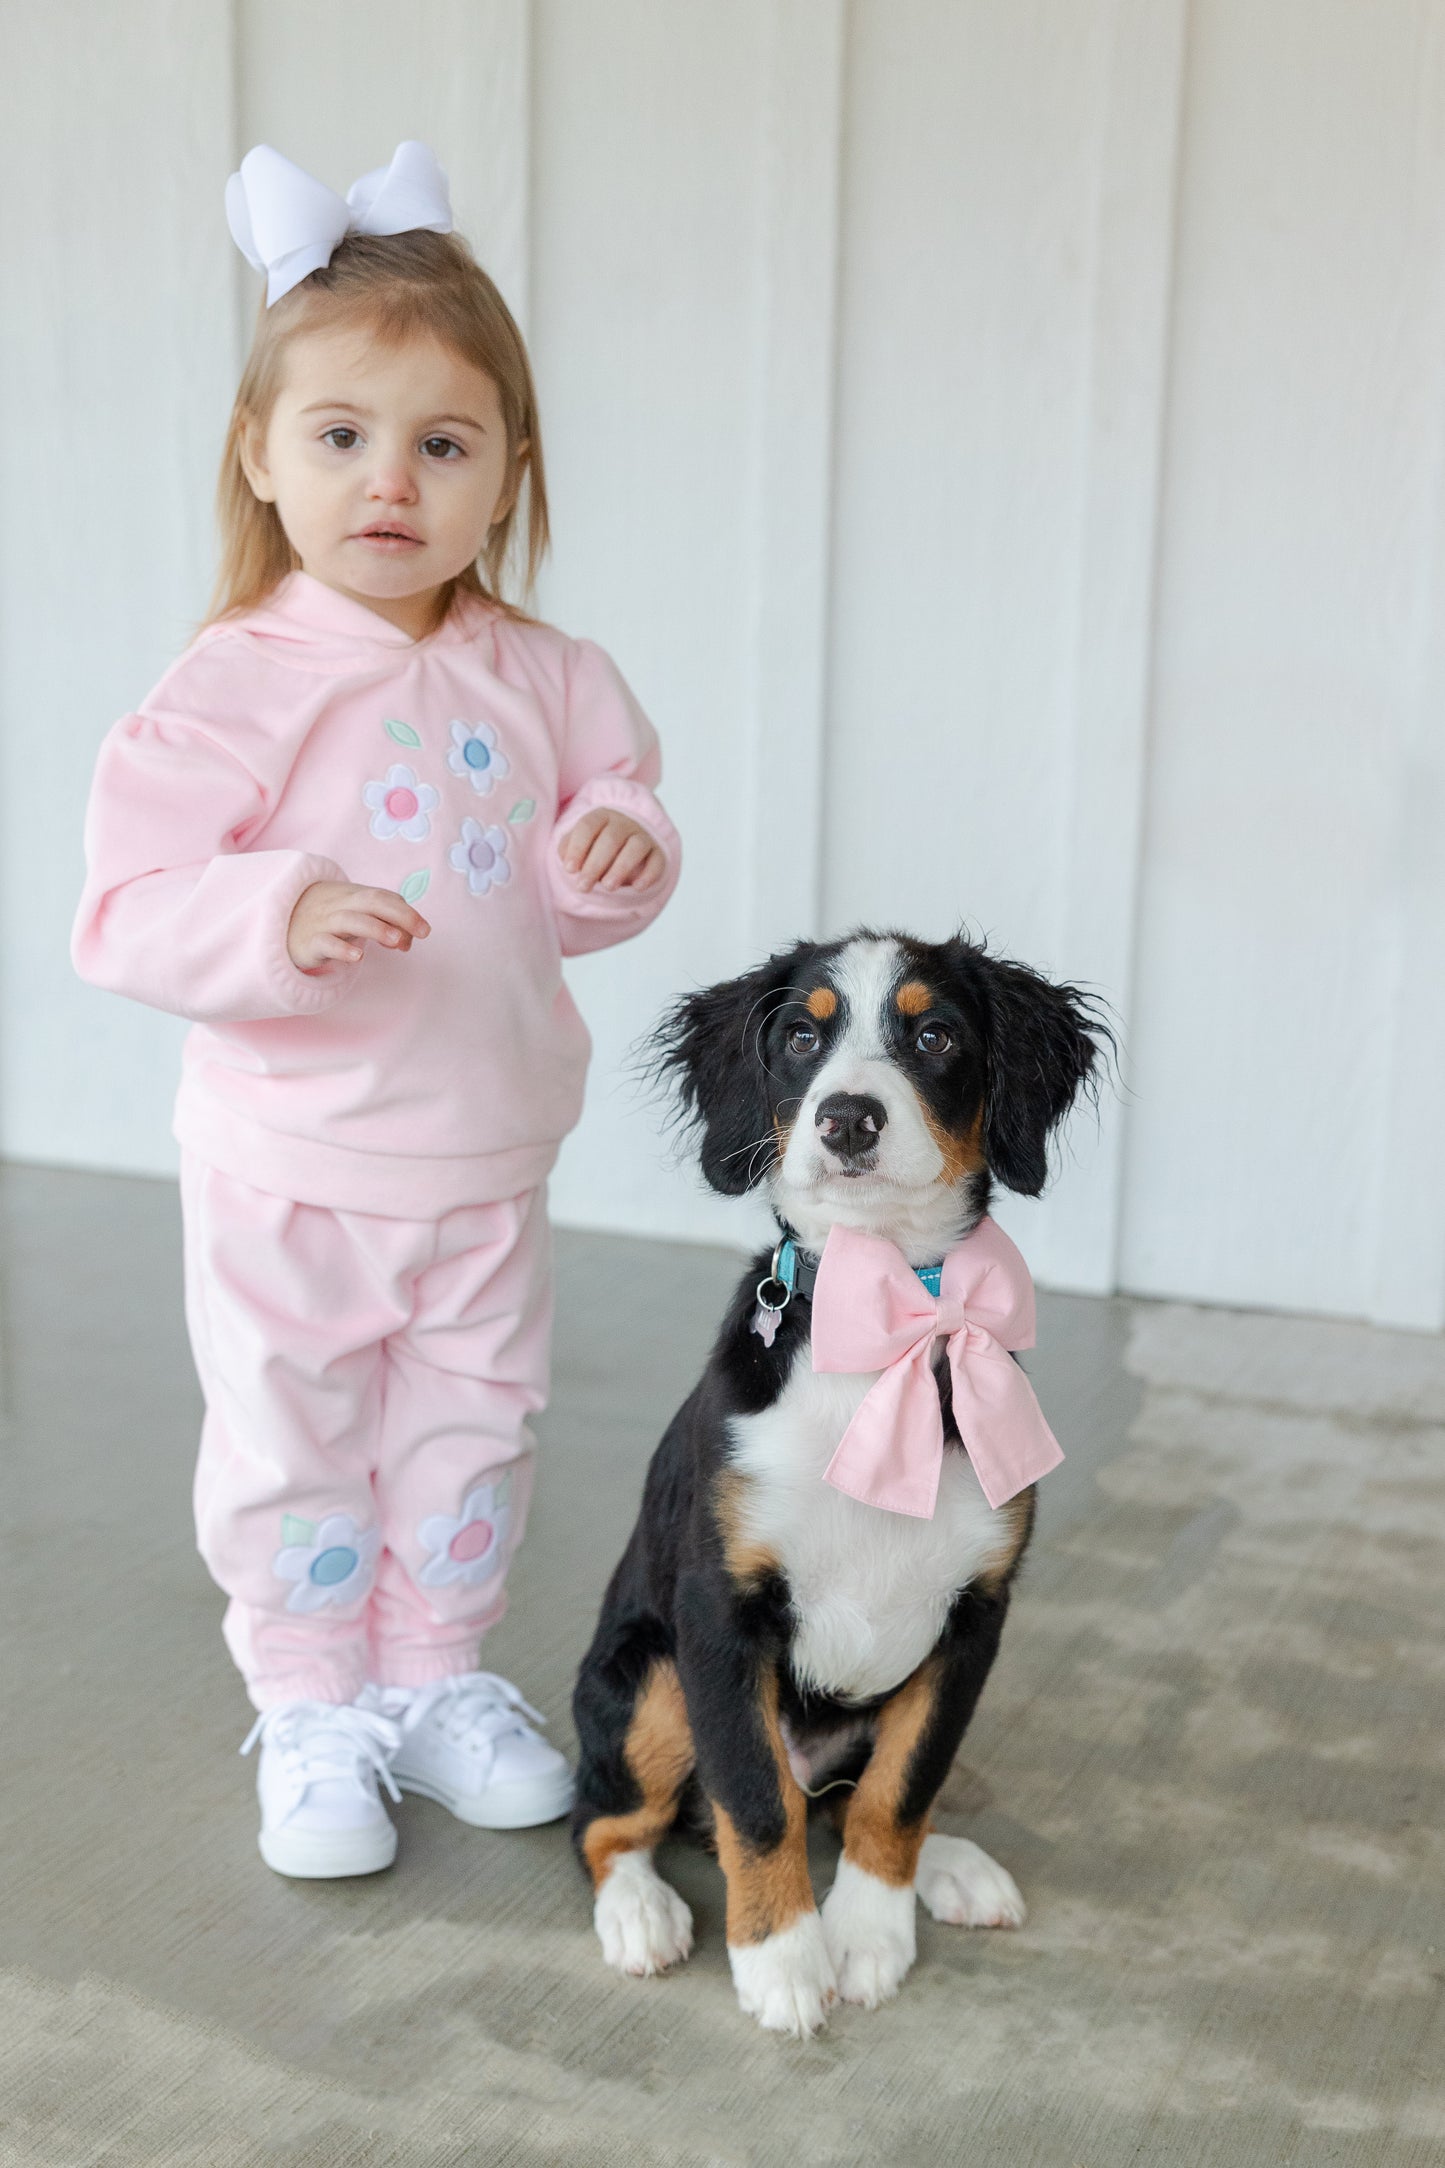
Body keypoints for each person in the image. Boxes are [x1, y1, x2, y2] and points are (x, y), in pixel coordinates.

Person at [71, 143, 680, 1879]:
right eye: (338, 435)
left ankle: (430, 1673)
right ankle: (313, 1697)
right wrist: (278, 908)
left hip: (485, 1152)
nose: (387, 480)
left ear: (506, 472)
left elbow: (569, 886)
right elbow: (123, 913)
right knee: (294, 1433)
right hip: (294, 1163)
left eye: (440, 441)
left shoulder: (553, 679)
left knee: (473, 1426)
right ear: (263, 460)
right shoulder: (232, 684)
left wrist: (614, 852)